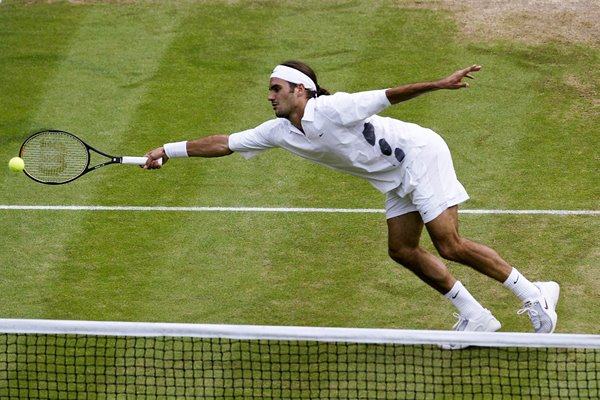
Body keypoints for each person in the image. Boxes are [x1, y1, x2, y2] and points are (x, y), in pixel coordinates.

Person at [144, 61, 560, 346]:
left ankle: (535, 292)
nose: (270, 96)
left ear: (299, 90)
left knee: (449, 243)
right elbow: (224, 143)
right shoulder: (278, 131)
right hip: (393, 176)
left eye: (276, 89)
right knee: (402, 250)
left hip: (419, 154)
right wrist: (168, 148)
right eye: (269, 90)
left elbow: (388, 95)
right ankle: (476, 317)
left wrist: (438, 84)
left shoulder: (331, 108)